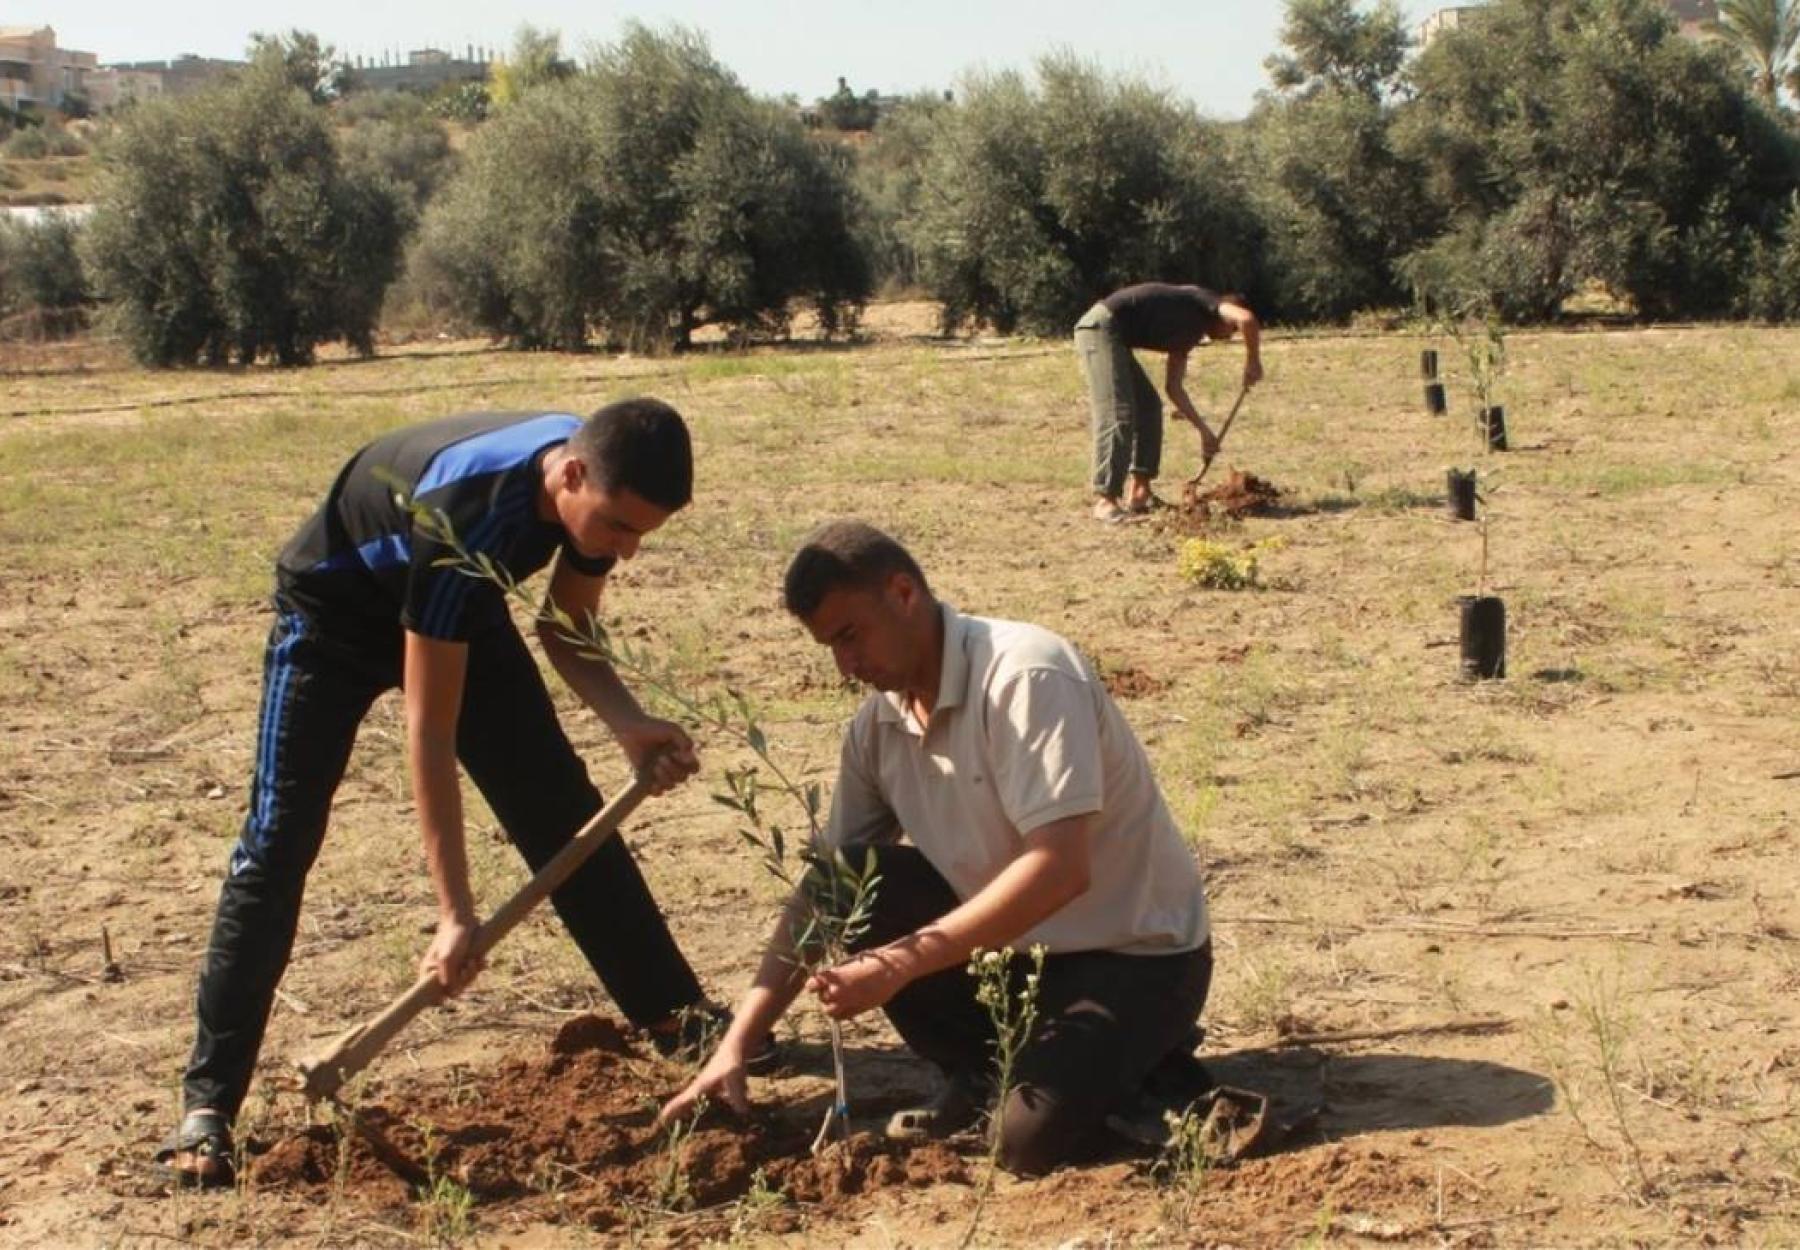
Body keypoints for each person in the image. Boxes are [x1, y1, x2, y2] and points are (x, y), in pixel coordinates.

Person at [156, 399, 746, 1187]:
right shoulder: (468, 518)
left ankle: (675, 1019)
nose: (627, 552)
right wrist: (454, 913)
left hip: (453, 607)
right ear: (570, 474)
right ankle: (209, 1107)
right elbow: (429, 734)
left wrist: (628, 722)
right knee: (278, 843)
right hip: (331, 616)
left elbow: (566, 622)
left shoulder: (597, 484)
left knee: (559, 807)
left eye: (642, 534)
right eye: (617, 529)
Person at [660, 521, 1213, 1175]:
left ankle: (1151, 1065)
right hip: (1016, 955)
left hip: (1135, 955)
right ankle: (986, 1071)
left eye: (849, 636)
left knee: (1027, 1146)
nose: (845, 666)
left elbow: (1061, 869)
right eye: (828, 647)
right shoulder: (879, 728)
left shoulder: (1025, 676)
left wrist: (898, 964)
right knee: (859, 881)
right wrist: (737, 1041)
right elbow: (828, 889)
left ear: (902, 593)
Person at [1074, 283, 1263, 523]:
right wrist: (1253, 362)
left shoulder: (1189, 335)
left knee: (1150, 407)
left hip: (1116, 338)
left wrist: (1205, 433)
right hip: (1099, 328)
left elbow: (1174, 388)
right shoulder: (1203, 300)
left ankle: (1140, 493)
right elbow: (1247, 319)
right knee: (1119, 411)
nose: (1230, 335)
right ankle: (1106, 501)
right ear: (1226, 315)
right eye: (1232, 329)